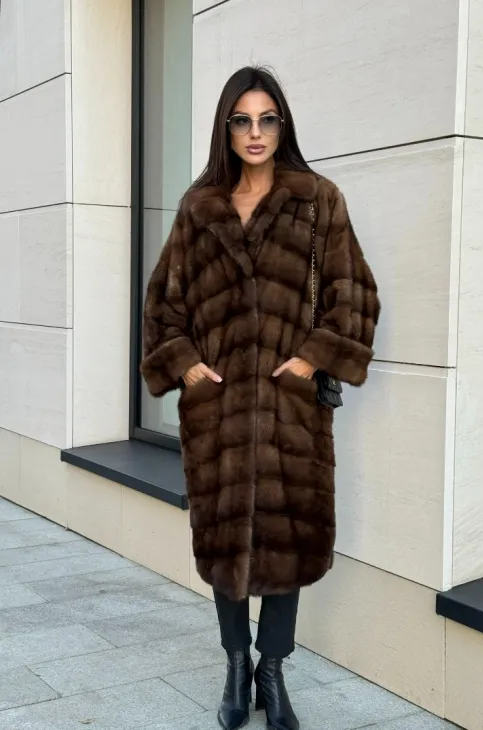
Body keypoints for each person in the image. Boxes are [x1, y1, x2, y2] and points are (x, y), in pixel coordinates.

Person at [141, 66, 380, 730]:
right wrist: (187, 368)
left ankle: (271, 670)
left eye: (267, 119)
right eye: (242, 120)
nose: (255, 132)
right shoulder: (199, 208)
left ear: (283, 125)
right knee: (224, 547)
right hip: (217, 415)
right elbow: (162, 306)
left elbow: (356, 295)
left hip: (289, 413)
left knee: (286, 542)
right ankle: (233, 665)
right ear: (226, 128)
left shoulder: (318, 200)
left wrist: (309, 361)